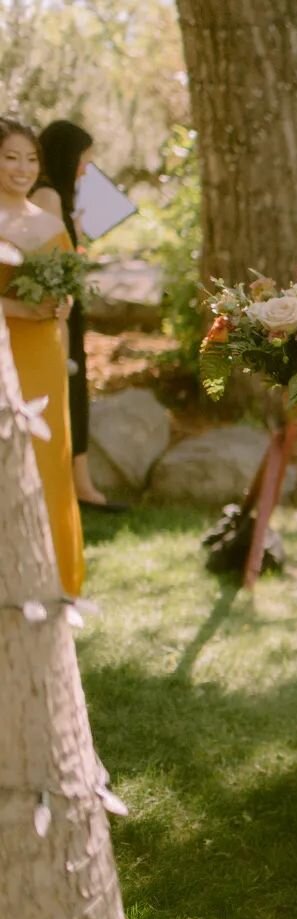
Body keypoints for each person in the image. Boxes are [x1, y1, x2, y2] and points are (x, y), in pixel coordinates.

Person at [0, 116, 85, 597]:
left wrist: (60, 304)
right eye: (10, 157)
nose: (22, 168)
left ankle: (57, 578)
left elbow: (69, 298)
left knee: (49, 459)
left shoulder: (51, 224)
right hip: (4, 353)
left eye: (30, 159)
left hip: (47, 358)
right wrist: (14, 305)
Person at [31, 119, 121, 512]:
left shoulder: (57, 196)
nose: (86, 169)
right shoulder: (47, 195)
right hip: (57, 310)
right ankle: (77, 487)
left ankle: (79, 483)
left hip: (67, 305)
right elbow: (49, 258)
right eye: (83, 160)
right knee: (68, 389)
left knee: (76, 390)